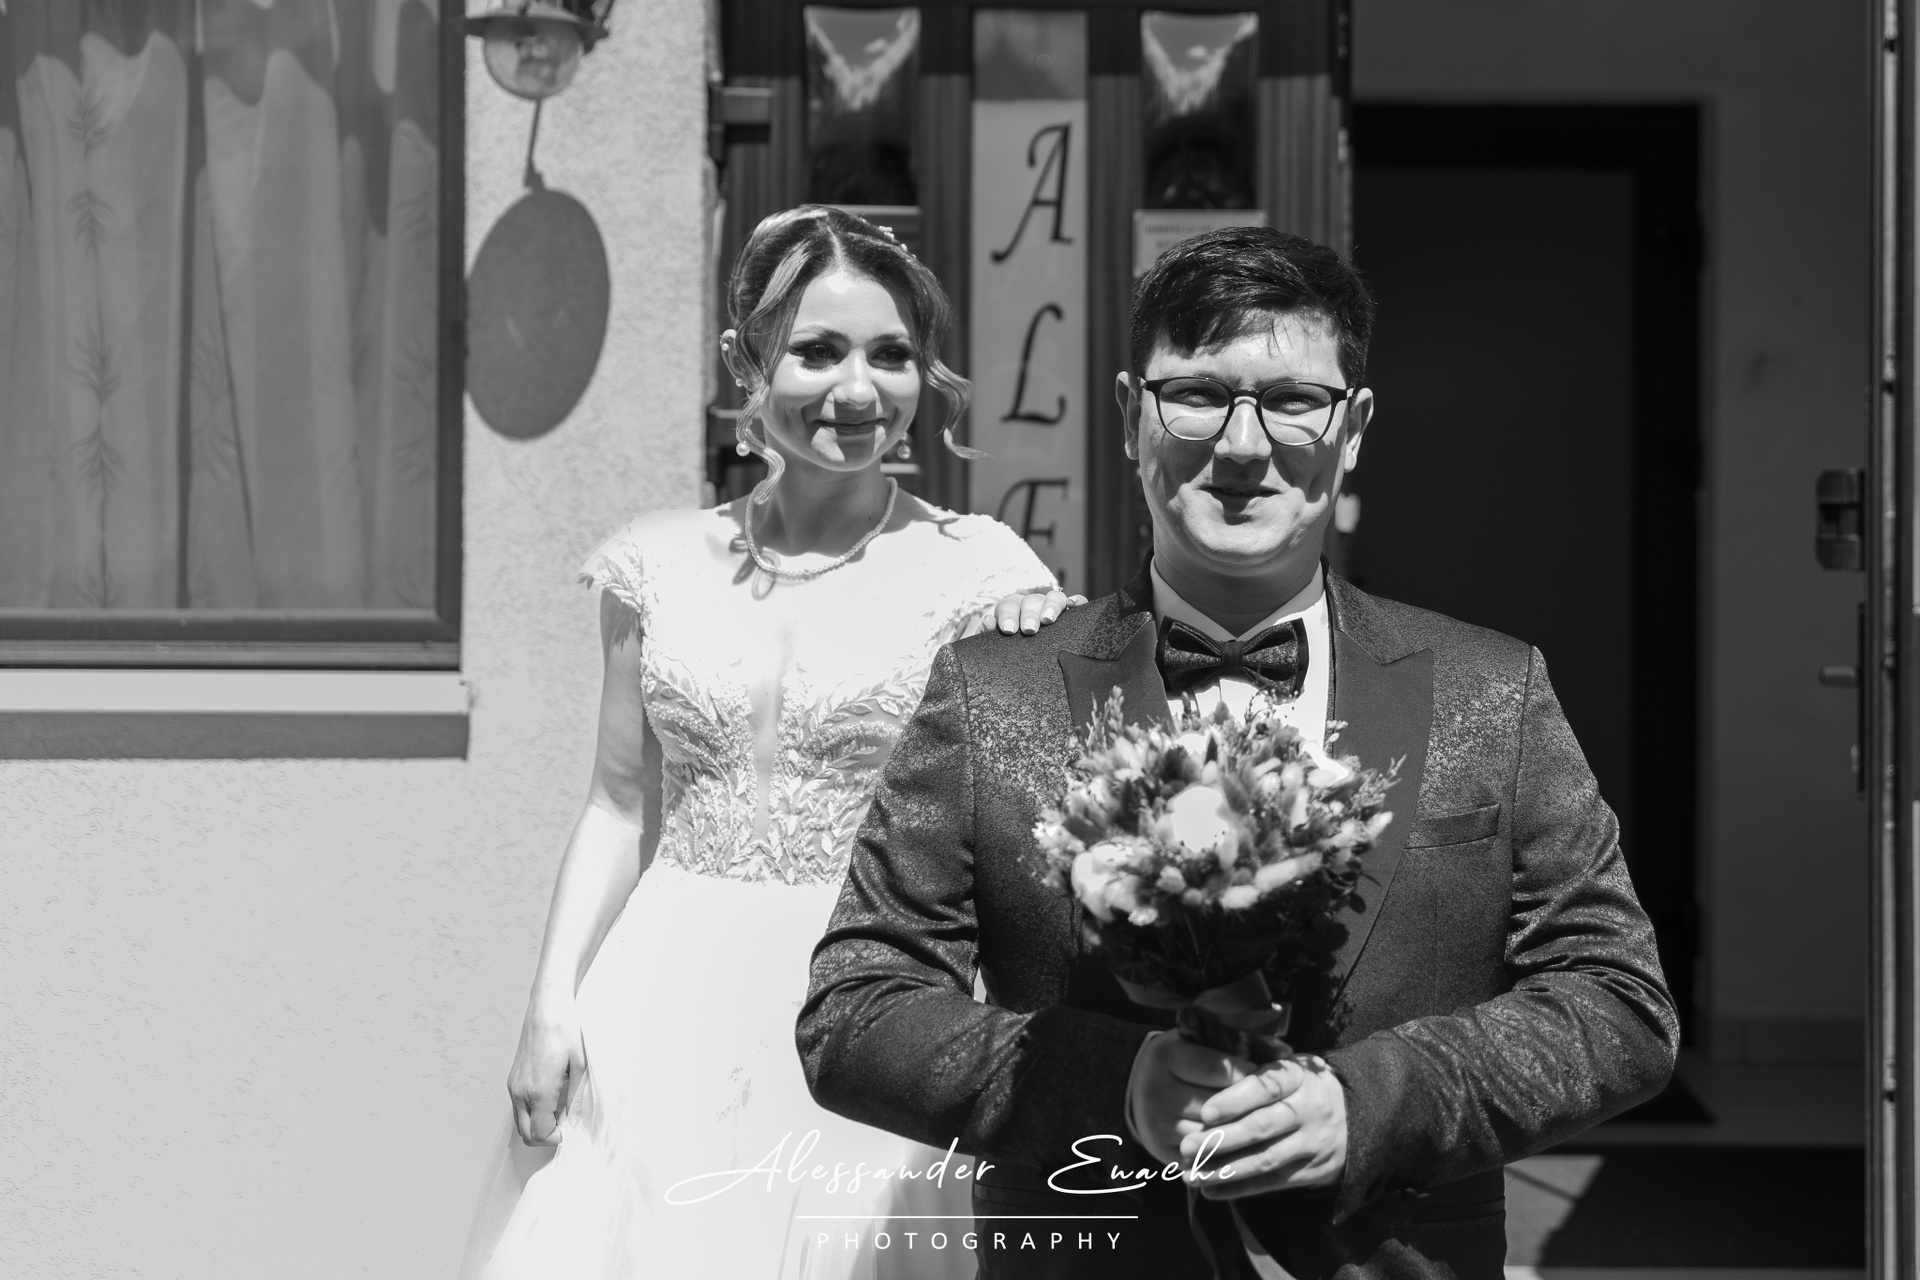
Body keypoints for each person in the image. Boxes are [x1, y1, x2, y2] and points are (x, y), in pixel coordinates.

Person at [798, 226, 1678, 1280]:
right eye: (1199, 395)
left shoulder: (1492, 688)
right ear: (1132, 415)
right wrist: (1116, 1086)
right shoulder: (993, 693)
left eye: (1294, 400)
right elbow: (857, 1009)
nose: (1244, 445)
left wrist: (1376, 1101)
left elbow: (1619, 1002)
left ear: (1354, 428)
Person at [461, 205, 1078, 1280]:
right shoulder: (652, 565)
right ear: (746, 360)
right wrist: (549, 1003)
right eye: (819, 350)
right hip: (659, 1004)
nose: (859, 389)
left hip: (873, 994)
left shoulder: (984, 574)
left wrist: (1039, 649)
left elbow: (1027, 827)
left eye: (891, 355)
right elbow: (614, 806)